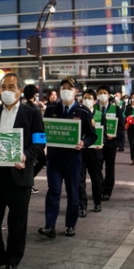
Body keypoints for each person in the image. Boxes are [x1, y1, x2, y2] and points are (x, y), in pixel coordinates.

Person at [0, 73, 45, 269]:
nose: (7, 90)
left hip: (19, 175)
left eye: (11, 86)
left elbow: (40, 141)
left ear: (20, 91)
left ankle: (12, 261)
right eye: (4, 86)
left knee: (17, 222)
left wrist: (26, 156)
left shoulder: (32, 113)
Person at [39, 77, 97, 238]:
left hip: (73, 160)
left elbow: (93, 136)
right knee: (54, 191)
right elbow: (43, 132)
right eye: (63, 88)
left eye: (69, 88)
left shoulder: (83, 111)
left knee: (73, 193)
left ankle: (70, 225)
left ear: (75, 91)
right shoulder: (51, 110)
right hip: (54, 159)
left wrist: (83, 143)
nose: (66, 91)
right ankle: (49, 225)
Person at [78, 89, 104, 216]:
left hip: (95, 152)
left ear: (94, 101)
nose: (87, 100)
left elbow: (103, 133)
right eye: (85, 97)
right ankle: (82, 206)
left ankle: (97, 202)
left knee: (96, 179)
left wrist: (102, 142)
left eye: (89, 98)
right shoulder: (78, 114)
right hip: (81, 152)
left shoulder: (99, 114)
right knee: (80, 180)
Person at [95, 85, 124, 200]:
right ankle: (99, 187)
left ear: (108, 95)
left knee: (109, 168)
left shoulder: (115, 108)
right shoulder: (93, 108)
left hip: (111, 144)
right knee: (97, 167)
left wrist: (115, 134)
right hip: (97, 143)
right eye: (100, 92)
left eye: (105, 92)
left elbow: (121, 125)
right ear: (97, 95)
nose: (102, 95)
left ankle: (107, 190)